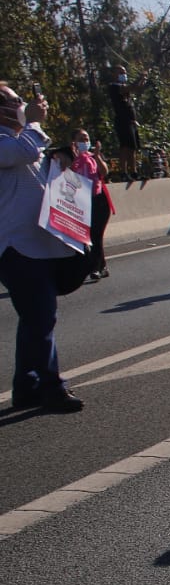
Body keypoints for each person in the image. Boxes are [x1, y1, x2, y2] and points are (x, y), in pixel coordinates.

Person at [0, 82, 83, 411]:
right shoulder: (10, 143)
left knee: (35, 318)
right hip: (14, 246)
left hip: (37, 244)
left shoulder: (20, 141)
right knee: (41, 316)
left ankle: (26, 386)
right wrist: (33, 122)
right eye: (15, 100)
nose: (21, 103)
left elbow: (37, 168)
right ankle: (51, 386)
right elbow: (22, 153)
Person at [60, 130, 115, 281]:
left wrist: (97, 156)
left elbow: (104, 172)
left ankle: (95, 268)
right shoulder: (70, 158)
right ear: (74, 142)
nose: (84, 141)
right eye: (81, 139)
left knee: (96, 235)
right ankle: (102, 265)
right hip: (81, 202)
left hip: (99, 200)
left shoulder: (93, 157)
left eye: (87, 138)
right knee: (90, 236)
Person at [105, 67, 148, 181]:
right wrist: (139, 78)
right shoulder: (114, 86)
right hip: (122, 121)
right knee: (125, 147)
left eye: (124, 72)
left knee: (133, 148)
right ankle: (123, 172)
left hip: (131, 121)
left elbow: (137, 88)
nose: (124, 74)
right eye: (121, 72)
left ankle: (134, 172)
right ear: (114, 74)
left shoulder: (124, 87)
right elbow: (129, 88)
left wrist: (143, 79)